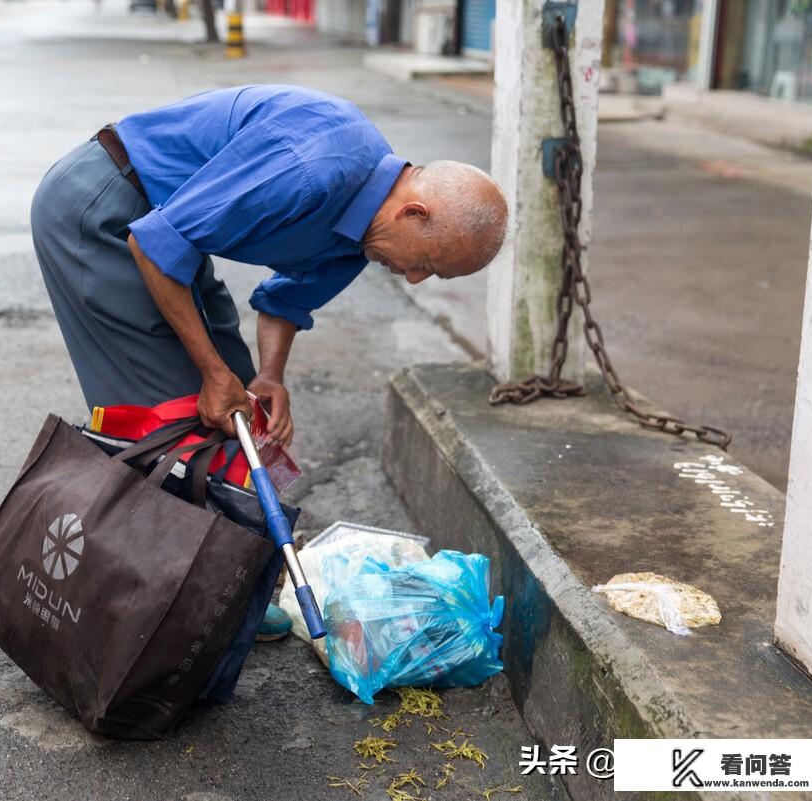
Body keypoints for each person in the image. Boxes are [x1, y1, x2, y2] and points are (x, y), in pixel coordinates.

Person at [31, 84, 507, 641]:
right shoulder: (312, 168)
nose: (415, 279)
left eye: (431, 276)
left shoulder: (366, 232)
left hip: (165, 222)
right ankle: (148, 613)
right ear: (414, 212)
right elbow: (157, 246)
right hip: (102, 209)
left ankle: (217, 589)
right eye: (425, 263)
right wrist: (212, 376)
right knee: (173, 418)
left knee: (242, 414)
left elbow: (285, 300)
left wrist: (268, 375)